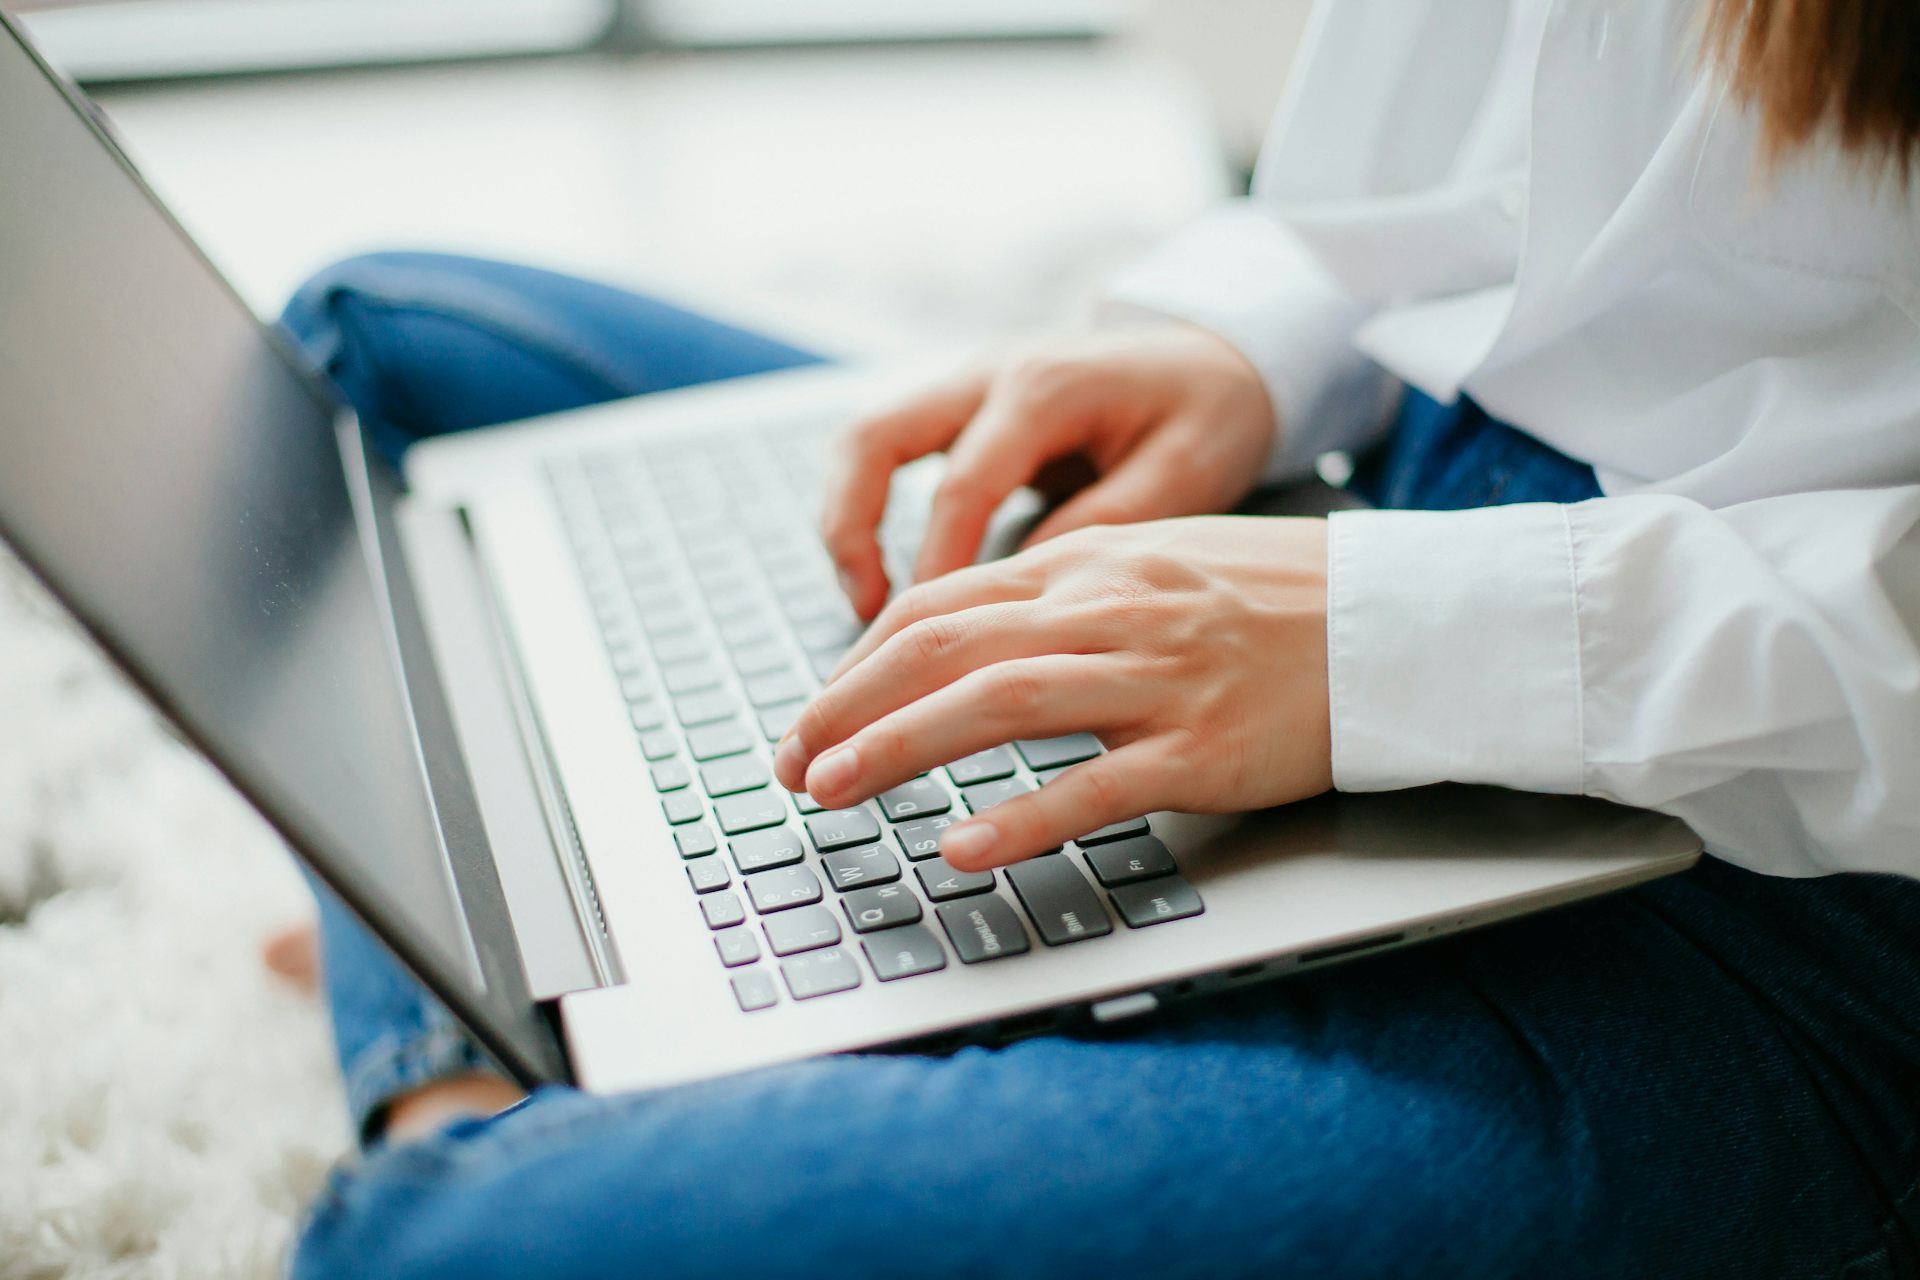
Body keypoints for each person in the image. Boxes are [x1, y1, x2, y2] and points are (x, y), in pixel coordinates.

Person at [273, 2, 1920, 1275]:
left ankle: (480, 1040)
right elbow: (1507, 194)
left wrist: (1380, 643)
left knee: (450, 1241)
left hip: (1762, 917)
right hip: (1367, 509)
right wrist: (1245, 344)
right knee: (379, 354)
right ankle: (569, 985)